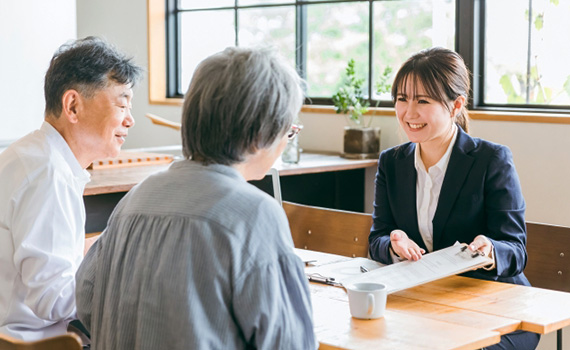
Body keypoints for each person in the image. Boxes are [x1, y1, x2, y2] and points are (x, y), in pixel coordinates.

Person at [75, 47, 317, 350]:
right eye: (288, 131)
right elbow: (291, 343)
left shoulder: (136, 199)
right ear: (261, 134)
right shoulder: (254, 214)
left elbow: (86, 302)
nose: (285, 141)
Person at [368, 47, 539, 349]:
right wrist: (393, 243)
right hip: (425, 305)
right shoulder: (391, 162)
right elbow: (377, 238)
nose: (409, 113)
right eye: (402, 99)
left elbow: (515, 250)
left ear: (456, 105)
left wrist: (489, 252)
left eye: (423, 100)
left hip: (496, 310)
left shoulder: (491, 159)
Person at [0, 36, 142, 341]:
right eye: (122, 104)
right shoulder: (49, 174)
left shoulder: (30, 155)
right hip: (32, 343)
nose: (130, 120)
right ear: (73, 105)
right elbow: (53, 299)